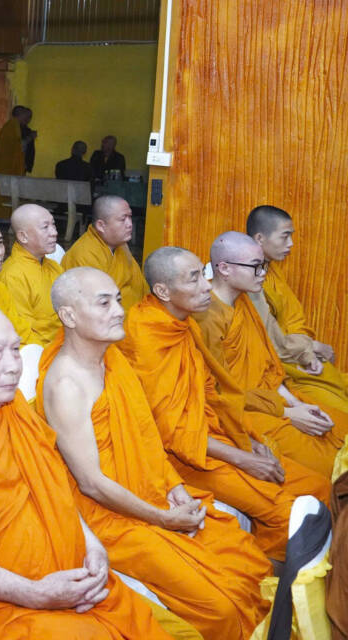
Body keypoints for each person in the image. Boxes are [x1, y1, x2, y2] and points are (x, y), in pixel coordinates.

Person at [0, 302, 170, 640]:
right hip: (0, 605)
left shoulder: (15, 410)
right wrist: (35, 594)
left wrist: (93, 546)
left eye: (15, 349)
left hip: (70, 578)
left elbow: (53, 491)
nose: (13, 366)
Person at [39, 267, 271, 639]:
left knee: (245, 559)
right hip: (109, 519)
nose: (119, 310)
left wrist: (173, 486)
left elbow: (145, 435)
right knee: (221, 606)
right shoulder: (66, 385)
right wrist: (163, 519)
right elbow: (91, 484)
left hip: (150, 492)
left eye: (118, 299)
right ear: (69, 315)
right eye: (104, 303)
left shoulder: (113, 360)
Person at [118, 246, 330, 560]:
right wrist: (243, 460)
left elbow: (211, 395)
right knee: (283, 510)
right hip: (177, 458)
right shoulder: (145, 336)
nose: (206, 286)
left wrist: (247, 441)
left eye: (202, 276)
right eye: (194, 279)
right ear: (162, 291)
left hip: (211, 438)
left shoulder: (183, 322)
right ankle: (278, 577)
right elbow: (170, 433)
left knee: (318, 485)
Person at [194, 232, 348, 478]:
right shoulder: (205, 316)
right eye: (255, 266)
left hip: (271, 399)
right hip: (240, 412)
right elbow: (217, 394)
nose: (263, 273)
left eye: (263, 265)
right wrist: (287, 413)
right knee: (328, 465)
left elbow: (267, 366)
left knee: (340, 426)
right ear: (224, 268)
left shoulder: (245, 302)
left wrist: (297, 404)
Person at [248, 204, 348, 415]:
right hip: (280, 368)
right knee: (340, 413)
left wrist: (308, 349)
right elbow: (267, 340)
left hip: (298, 355)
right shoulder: (248, 279)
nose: (291, 243)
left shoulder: (270, 270)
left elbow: (291, 319)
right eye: (285, 236)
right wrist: (311, 347)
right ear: (260, 238)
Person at [0, 203, 64, 345]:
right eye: (45, 227)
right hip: (38, 350)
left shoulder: (54, 267)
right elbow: (21, 332)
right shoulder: (13, 275)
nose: (54, 232)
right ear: (23, 237)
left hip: (63, 343)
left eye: (53, 225)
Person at [63, 195, 147, 307]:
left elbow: (138, 285)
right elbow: (96, 304)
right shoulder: (85, 254)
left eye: (130, 217)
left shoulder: (121, 246)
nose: (130, 224)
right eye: (123, 219)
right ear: (101, 226)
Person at [0, 106, 32, 219]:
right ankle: (2, 216)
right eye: (26, 116)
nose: (28, 119)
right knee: (5, 192)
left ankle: (6, 216)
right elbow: (18, 146)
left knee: (9, 192)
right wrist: (29, 138)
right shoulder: (11, 127)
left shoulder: (14, 126)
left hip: (9, 166)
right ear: (19, 114)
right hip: (6, 166)